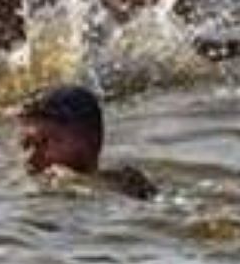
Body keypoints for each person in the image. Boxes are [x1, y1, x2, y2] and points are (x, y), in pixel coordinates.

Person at [14, 84, 156, 200]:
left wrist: (79, 182)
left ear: (90, 141)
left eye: (43, 143)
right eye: (25, 145)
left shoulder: (128, 184)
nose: (29, 158)